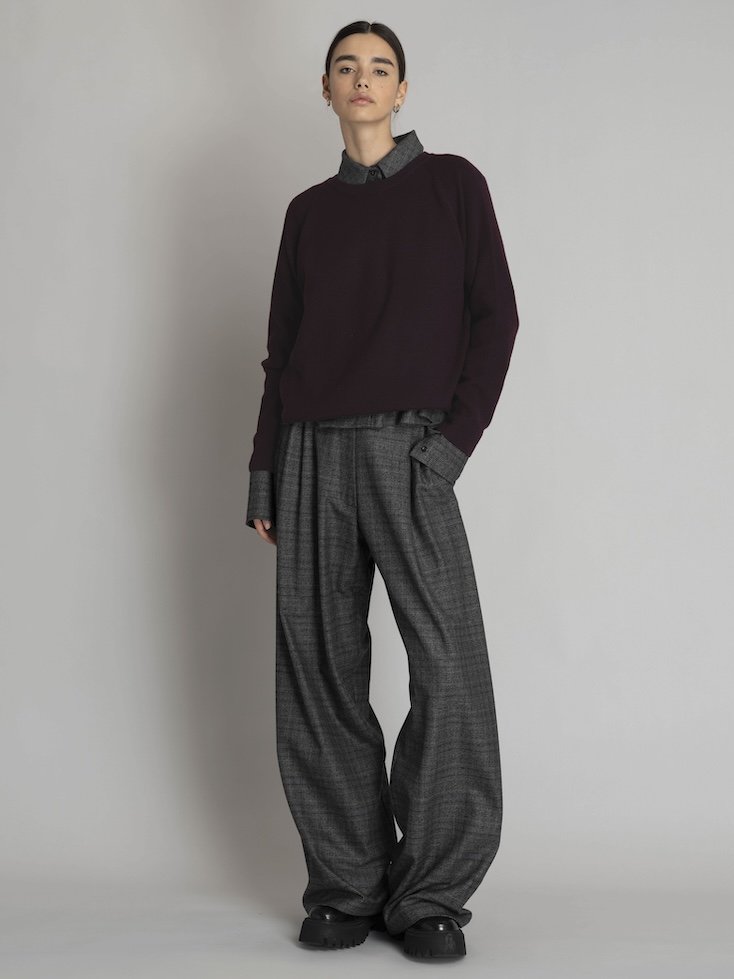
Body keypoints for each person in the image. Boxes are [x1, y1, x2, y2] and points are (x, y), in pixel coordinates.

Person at [246, 20, 519, 960]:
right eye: (346, 67)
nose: (362, 79)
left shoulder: (453, 186)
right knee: (320, 672)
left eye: (380, 68)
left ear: (402, 90)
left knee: (450, 668)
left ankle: (430, 893)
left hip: (412, 453)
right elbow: (281, 354)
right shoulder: (308, 213)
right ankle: (347, 884)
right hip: (312, 455)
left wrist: (450, 447)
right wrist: (266, 470)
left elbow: (497, 320)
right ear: (325, 88)